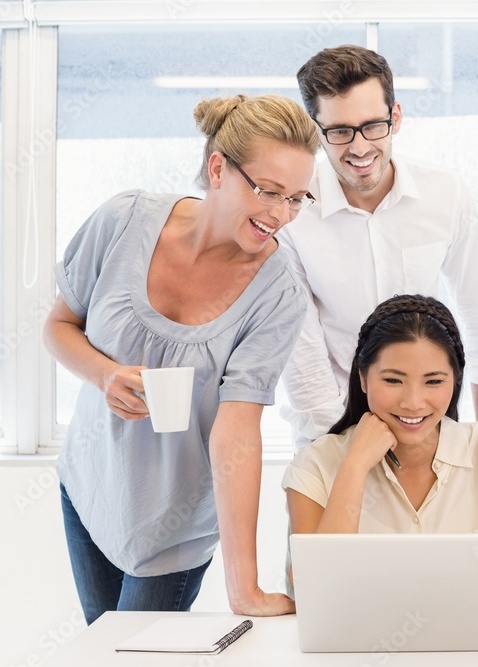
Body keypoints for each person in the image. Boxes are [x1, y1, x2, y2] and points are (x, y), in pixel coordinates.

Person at [43, 93, 318, 623]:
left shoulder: (278, 292)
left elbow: (237, 431)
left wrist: (245, 588)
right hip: (90, 487)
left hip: (175, 526)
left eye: (298, 198)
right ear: (218, 168)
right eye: (269, 191)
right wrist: (105, 376)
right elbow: (59, 327)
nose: (282, 215)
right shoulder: (122, 222)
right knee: (104, 657)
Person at [283, 295, 478, 613]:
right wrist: (354, 467)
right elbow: (316, 592)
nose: (413, 402)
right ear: (363, 378)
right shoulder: (316, 465)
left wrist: (417, 605)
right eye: (393, 380)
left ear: (455, 382)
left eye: (433, 381)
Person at [279, 45, 478, 444]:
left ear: (396, 117)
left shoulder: (446, 194)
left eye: (373, 125)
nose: (359, 147)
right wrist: (342, 456)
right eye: (339, 131)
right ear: (316, 131)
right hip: (333, 429)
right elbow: (304, 359)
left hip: (430, 424)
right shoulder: (293, 211)